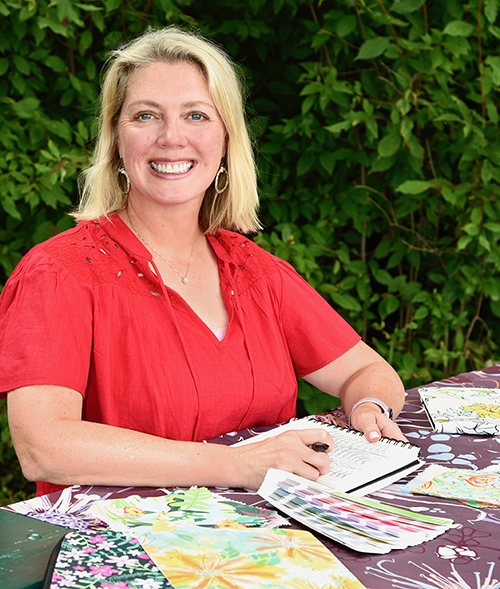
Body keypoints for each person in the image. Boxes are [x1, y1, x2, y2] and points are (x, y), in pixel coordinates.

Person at [0, 27, 406, 498]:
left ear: (226, 141)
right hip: (126, 552)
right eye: (146, 115)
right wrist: (235, 465)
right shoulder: (59, 273)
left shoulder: (254, 270)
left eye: (196, 115)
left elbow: (366, 372)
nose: (172, 138)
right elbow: (43, 446)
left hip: (269, 540)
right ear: (115, 140)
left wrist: (370, 408)